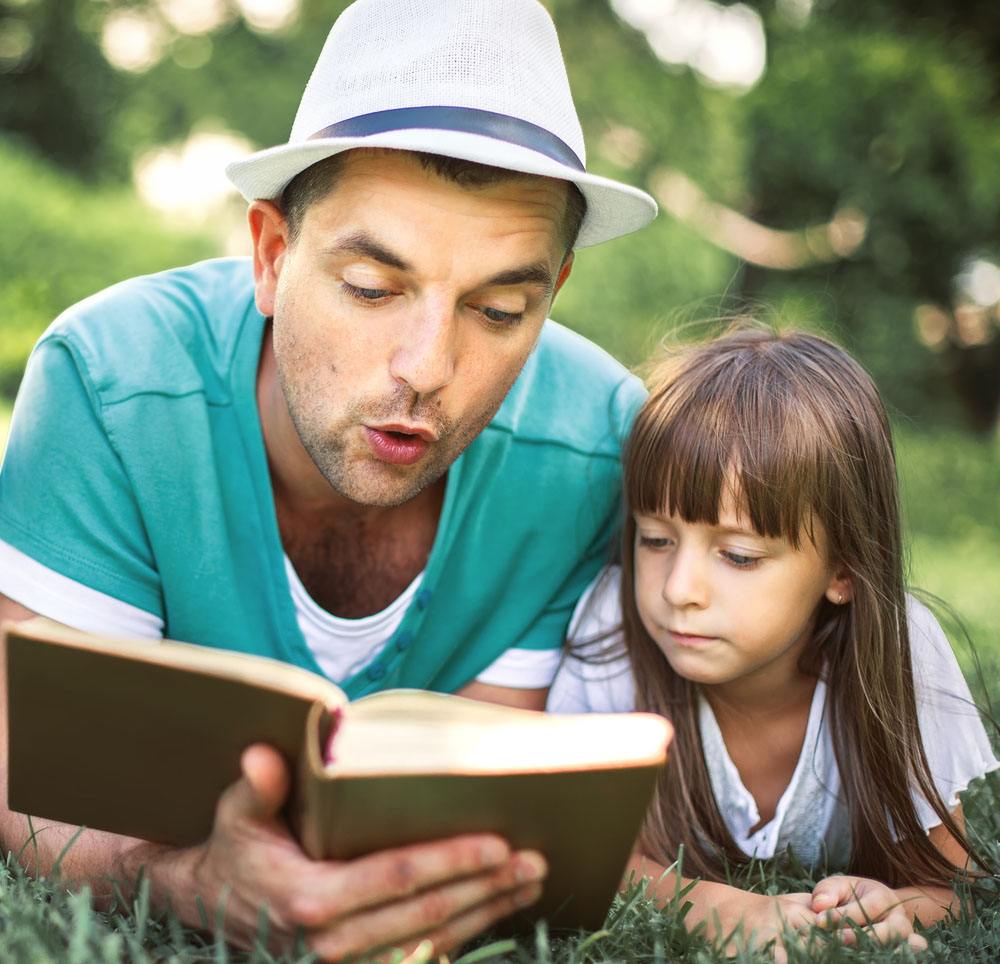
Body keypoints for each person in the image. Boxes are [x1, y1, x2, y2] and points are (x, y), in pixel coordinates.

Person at [0, 0, 657, 957]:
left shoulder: (595, 444)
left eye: (500, 309)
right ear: (272, 255)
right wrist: (179, 884)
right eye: (372, 289)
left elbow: (493, 799)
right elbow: (34, 779)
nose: (426, 368)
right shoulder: (111, 383)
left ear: (553, 296)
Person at [549, 325, 998, 955]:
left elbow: (949, 886)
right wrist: (723, 908)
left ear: (843, 570)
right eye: (655, 539)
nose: (678, 588)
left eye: (738, 555)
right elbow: (577, 853)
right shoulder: (613, 628)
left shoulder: (902, 652)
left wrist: (887, 910)